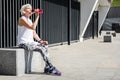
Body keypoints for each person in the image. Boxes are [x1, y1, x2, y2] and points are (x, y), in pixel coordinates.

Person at [17, 4, 61, 76]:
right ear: (24, 11)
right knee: (41, 48)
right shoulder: (22, 19)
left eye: (31, 8)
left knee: (44, 46)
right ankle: (51, 67)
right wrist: (37, 16)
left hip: (30, 42)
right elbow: (33, 27)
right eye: (28, 8)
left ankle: (47, 67)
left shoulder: (30, 21)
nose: (31, 10)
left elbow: (34, 33)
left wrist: (41, 41)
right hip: (23, 43)